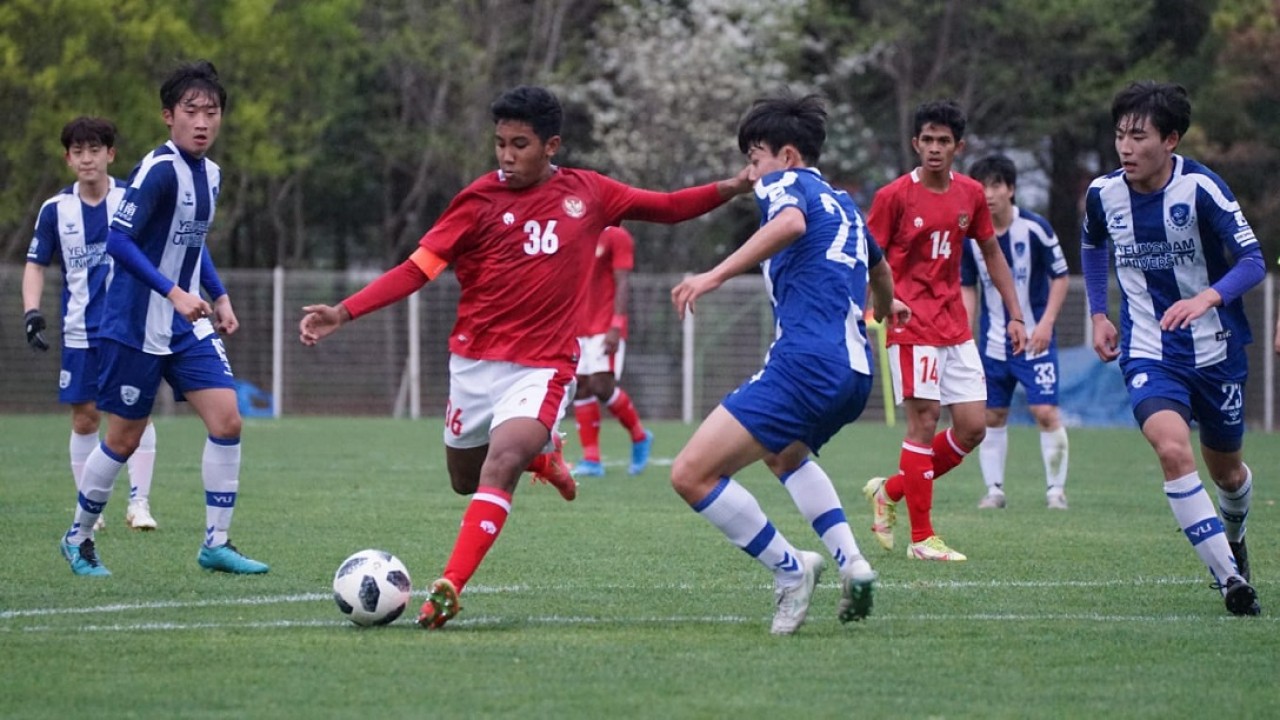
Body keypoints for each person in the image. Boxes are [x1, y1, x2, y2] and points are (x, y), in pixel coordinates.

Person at [299, 85, 751, 630]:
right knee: (464, 481)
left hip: (543, 367)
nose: (507, 156)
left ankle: (449, 586)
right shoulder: (476, 202)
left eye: (520, 144)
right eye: (500, 144)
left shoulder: (590, 193)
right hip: (473, 366)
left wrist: (737, 185)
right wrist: (343, 312)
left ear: (551, 145)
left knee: (501, 462)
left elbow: (670, 207)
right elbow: (417, 269)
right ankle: (545, 455)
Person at [670, 92, 909, 635]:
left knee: (690, 474)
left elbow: (791, 226)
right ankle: (854, 563)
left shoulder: (788, 186)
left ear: (788, 157)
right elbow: (880, 265)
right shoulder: (844, 202)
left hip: (806, 363)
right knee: (784, 455)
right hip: (855, 373)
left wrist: (713, 275)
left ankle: (791, 570)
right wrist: (887, 305)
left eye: (755, 159)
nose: (750, 173)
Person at [58, 60, 268, 577]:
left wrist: (217, 296)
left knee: (228, 419)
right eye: (191, 111)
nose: (202, 121)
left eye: (211, 112)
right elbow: (119, 240)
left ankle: (215, 544)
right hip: (133, 322)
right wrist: (174, 292)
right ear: (167, 116)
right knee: (123, 438)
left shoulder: (212, 174)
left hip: (184, 322)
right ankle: (78, 537)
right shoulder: (158, 169)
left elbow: (191, 242)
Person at [1082, 80, 1262, 616]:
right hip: (1149, 350)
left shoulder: (1202, 190)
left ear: (1172, 140)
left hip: (1216, 350)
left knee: (1228, 472)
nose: (1126, 148)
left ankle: (1235, 538)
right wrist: (1097, 312)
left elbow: (1252, 261)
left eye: (1139, 137)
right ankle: (1229, 579)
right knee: (1171, 448)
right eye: (1120, 136)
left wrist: (1207, 298)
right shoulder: (1103, 194)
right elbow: (1092, 244)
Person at [862, 100, 1027, 562]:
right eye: (927, 140)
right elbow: (868, 257)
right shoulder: (893, 196)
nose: (934, 149)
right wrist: (872, 305)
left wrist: (1015, 313)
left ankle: (890, 490)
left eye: (944, 141)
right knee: (925, 420)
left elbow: (992, 254)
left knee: (974, 427)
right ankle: (922, 539)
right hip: (909, 322)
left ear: (959, 146)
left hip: (955, 325)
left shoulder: (971, 194)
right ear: (915, 143)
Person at [24, 117, 160, 531]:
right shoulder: (55, 210)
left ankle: (140, 503)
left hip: (128, 326)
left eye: (95, 150)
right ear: (68, 159)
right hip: (79, 330)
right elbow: (35, 265)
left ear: (110, 154)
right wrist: (31, 312)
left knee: (135, 412)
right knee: (85, 417)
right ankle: (90, 505)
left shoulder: (131, 200)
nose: (87, 159)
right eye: (78, 152)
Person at [960, 154, 1071, 510]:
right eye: (981, 186)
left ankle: (1056, 491)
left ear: (1011, 189)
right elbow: (968, 287)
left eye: (996, 185)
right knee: (991, 415)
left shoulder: (1035, 228)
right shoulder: (970, 238)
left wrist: (1047, 324)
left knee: (1044, 411)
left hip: (1035, 340)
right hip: (993, 343)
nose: (988, 194)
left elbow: (1061, 277)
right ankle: (994, 491)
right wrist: (966, 333)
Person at [571, 225, 654, 478]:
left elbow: (622, 281)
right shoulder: (575, 231)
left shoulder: (616, 236)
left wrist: (616, 325)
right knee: (581, 387)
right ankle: (592, 460)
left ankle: (640, 436)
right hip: (577, 325)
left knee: (600, 386)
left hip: (605, 325)